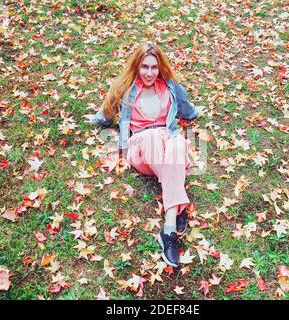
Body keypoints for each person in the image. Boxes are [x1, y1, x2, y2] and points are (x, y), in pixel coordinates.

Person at [84, 42, 204, 267]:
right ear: (136, 67)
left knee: (179, 144)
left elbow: (186, 108)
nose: (149, 73)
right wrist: (96, 119)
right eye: (144, 67)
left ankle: (168, 232)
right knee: (154, 139)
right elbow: (107, 113)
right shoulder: (125, 89)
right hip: (142, 146)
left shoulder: (170, 87)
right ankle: (179, 209)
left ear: (160, 68)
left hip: (168, 142)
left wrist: (197, 112)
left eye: (154, 67)